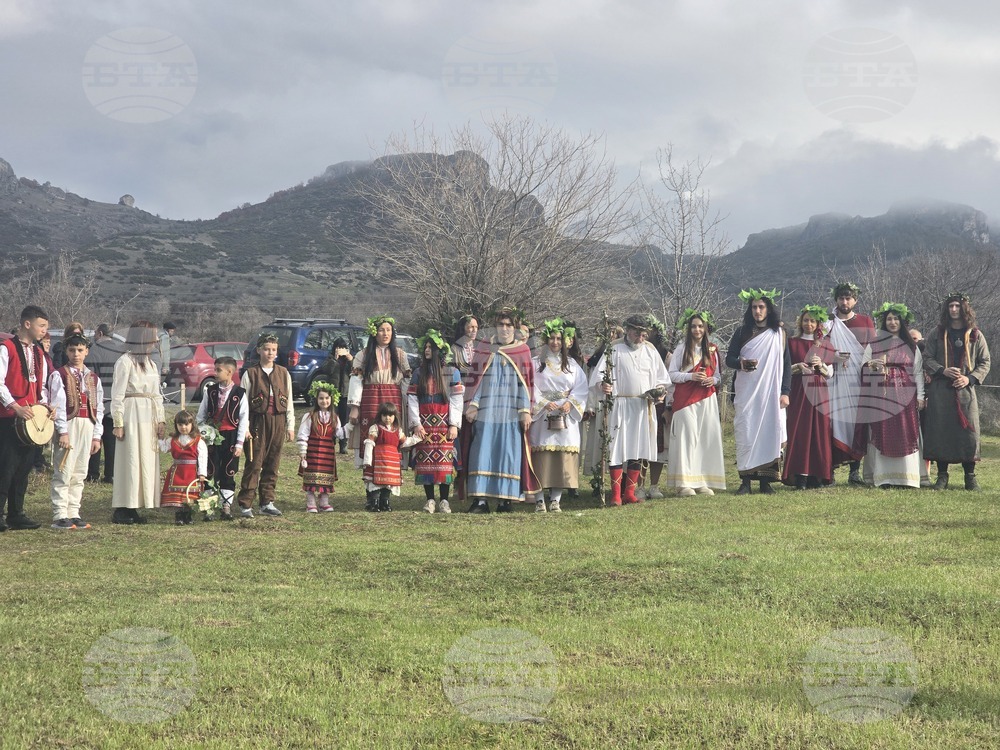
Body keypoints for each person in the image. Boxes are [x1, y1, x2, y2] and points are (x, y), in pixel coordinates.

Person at [589, 314, 670, 505]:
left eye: (643, 334)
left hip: (643, 406)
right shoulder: (614, 348)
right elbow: (599, 376)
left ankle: (629, 493)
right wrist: (604, 386)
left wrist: (659, 392)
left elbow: (662, 378)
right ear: (627, 330)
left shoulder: (650, 351)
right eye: (636, 334)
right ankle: (616, 494)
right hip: (620, 405)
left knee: (637, 447)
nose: (640, 338)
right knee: (616, 447)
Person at [464, 308, 538, 513]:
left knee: (508, 453)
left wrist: (525, 410)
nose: (504, 329)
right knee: (482, 451)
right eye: (501, 325)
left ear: (515, 328)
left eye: (509, 325)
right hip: (486, 411)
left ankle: (505, 499)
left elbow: (526, 384)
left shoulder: (523, 351)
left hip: (511, 412)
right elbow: (476, 381)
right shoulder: (484, 347)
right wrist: (472, 404)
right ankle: (480, 500)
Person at [922, 293, 991, 490]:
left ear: (964, 309)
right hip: (940, 390)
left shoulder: (975, 334)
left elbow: (985, 361)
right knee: (941, 430)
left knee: (968, 432)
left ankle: (970, 476)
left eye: (957, 306)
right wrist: (942, 370)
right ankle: (942, 476)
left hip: (965, 392)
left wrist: (968, 378)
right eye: (950, 306)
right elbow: (927, 357)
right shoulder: (938, 333)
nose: (954, 310)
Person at [725, 289, 791, 495]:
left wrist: (785, 391)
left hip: (771, 394)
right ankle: (745, 481)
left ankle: (766, 481)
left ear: (768, 309)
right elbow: (729, 359)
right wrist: (741, 363)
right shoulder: (741, 332)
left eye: (761, 307)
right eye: (754, 307)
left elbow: (787, 365)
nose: (757, 311)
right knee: (746, 433)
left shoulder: (779, 334)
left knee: (769, 434)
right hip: (747, 393)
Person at [859, 303, 925, 489]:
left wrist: (920, 396)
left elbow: (918, 372)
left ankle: (907, 477)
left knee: (905, 432)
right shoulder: (875, 344)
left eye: (896, 319)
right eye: (889, 319)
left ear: (902, 322)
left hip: (906, 396)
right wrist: (871, 366)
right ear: (884, 322)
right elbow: (863, 367)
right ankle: (883, 477)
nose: (893, 322)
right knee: (881, 432)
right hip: (881, 396)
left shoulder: (911, 346)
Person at [0, 305, 53, 531]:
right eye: (41, 326)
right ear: (27, 324)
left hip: (31, 419)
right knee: (6, 467)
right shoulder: (7, 348)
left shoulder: (39, 353)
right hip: (8, 417)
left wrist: (44, 405)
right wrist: (14, 406)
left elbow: (40, 386)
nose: (44, 331)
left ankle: (16, 513)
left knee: (24, 467)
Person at [528, 319, 589, 513]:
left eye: (559, 339)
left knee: (562, 456)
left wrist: (570, 403)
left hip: (565, 414)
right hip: (543, 413)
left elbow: (581, 388)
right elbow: (529, 386)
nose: (555, 342)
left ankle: (556, 499)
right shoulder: (536, 362)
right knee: (540, 457)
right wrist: (544, 403)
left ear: (564, 342)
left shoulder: (572, 365)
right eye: (552, 338)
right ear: (546, 340)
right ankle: (539, 500)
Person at [110, 321, 165, 525]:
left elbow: (156, 394)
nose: (156, 341)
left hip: (148, 415)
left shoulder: (150, 363)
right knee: (131, 459)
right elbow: (117, 395)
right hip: (131, 415)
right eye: (152, 336)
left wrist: (160, 420)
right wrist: (118, 422)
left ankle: (136, 504)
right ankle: (123, 507)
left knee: (146, 459)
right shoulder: (125, 362)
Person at [666, 309, 725, 496]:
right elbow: (671, 374)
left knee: (705, 438)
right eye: (693, 326)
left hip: (706, 398)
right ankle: (684, 483)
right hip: (685, 400)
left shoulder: (713, 350)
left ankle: (702, 480)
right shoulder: (681, 348)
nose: (697, 330)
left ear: (706, 328)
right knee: (687, 439)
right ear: (688, 328)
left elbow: (718, 376)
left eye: (700, 326)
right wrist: (691, 376)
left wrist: (712, 381)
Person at [822, 281, 876, 485]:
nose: (845, 302)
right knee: (833, 421)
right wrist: (833, 357)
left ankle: (855, 472)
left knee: (857, 424)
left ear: (856, 300)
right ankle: (831, 470)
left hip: (858, 379)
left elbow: (872, 349)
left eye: (848, 298)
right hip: (834, 378)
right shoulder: (828, 322)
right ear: (836, 299)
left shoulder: (865, 321)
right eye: (841, 298)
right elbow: (818, 348)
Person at [48, 333, 103, 529]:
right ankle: (60, 513)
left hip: (87, 424)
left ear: (86, 351)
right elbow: (58, 405)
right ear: (66, 351)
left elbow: (99, 407)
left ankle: (74, 511)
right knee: (64, 469)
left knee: (80, 470)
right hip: (69, 424)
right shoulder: (59, 374)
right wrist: (62, 431)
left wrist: (97, 435)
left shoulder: (93, 378)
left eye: (80, 350)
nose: (76, 354)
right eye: (72, 350)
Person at [238, 333, 294, 517]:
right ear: (259, 350)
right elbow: (243, 404)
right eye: (267, 349)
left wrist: (290, 426)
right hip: (257, 423)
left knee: (273, 462)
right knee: (254, 462)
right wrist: (244, 428)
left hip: (277, 422)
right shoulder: (250, 373)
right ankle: (246, 503)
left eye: (274, 350)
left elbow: (290, 401)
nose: (270, 353)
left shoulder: (283, 373)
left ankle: (267, 502)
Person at [408, 329, 463, 514]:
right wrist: (416, 423)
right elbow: (412, 399)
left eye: (431, 347)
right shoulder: (418, 373)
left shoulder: (452, 373)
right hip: (425, 425)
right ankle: (430, 499)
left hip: (444, 424)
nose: (427, 350)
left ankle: (445, 501)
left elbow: (456, 400)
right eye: (426, 347)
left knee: (445, 463)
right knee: (426, 463)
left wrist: (454, 424)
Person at [781, 306, 835, 489]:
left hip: (819, 392)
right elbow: (785, 368)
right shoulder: (792, 342)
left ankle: (817, 475)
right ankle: (800, 476)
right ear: (800, 322)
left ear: (818, 323)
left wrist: (821, 365)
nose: (809, 324)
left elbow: (831, 373)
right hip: (798, 391)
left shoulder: (825, 344)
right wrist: (798, 367)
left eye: (812, 321)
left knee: (819, 431)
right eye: (806, 320)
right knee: (800, 430)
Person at [347, 316, 411, 468]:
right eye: (382, 330)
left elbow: (406, 379)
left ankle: (391, 472)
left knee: (392, 432)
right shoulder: (363, 355)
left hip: (393, 400)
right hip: (371, 399)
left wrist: (407, 402)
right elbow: (356, 380)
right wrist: (355, 408)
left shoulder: (400, 355)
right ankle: (369, 474)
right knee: (371, 433)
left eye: (388, 330)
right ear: (374, 333)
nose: (385, 334)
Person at [197, 356, 249, 520]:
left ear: (230, 372)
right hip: (212, 438)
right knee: (209, 471)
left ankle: (225, 508)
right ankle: (208, 509)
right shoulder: (210, 391)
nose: (215, 373)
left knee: (228, 471)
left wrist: (240, 443)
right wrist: (205, 433)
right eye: (215, 369)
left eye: (218, 370)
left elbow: (243, 420)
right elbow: (201, 416)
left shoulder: (240, 394)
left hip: (231, 438)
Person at [297, 381, 348, 512]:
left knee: (325, 476)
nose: (324, 401)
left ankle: (324, 501)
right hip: (312, 451)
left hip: (327, 452)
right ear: (316, 399)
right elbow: (303, 434)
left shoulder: (335, 417)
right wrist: (303, 451)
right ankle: (311, 502)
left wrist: (351, 426)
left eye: (326, 398)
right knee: (311, 477)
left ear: (331, 399)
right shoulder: (309, 416)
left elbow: (339, 434)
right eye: (321, 398)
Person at [450, 314, 484, 504]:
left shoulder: (481, 349)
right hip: (460, 399)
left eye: (476, 327)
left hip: (477, 400)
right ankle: (458, 482)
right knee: (460, 442)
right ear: (463, 328)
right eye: (470, 327)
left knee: (474, 441)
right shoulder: (455, 349)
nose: (473, 330)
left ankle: (474, 480)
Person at [362, 401, 419, 512]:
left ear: (394, 416)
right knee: (376, 483)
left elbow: (405, 441)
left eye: (390, 415)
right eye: (384, 415)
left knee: (388, 483)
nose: (387, 418)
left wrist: (417, 438)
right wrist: (367, 460)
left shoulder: (397, 430)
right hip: (378, 460)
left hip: (391, 461)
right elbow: (369, 443)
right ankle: (374, 503)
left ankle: (385, 502)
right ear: (380, 416)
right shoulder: (375, 428)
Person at [85, 325, 122, 484]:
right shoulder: (120, 352)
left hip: (98, 401)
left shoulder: (94, 351)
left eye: (94, 333)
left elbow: (89, 378)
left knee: (95, 437)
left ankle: (92, 474)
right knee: (111, 440)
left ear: (99, 333)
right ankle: (110, 474)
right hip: (116, 401)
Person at [158, 410, 208, 524]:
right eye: (180, 424)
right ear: (176, 425)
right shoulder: (173, 439)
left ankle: (188, 516)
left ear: (192, 425)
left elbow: (203, 457)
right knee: (179, 496)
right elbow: (164, 448)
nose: (183, 427)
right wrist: (159, 439)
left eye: (186, 424)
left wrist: (202, 473)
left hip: (191, 473)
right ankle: (179, 516)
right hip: (177, 472)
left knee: (189, 495)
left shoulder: (198, 441)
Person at [315, 337, 353, 454]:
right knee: (332, 418)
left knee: (344, 419)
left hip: (345, 393)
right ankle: (331, 442)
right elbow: (327, 370)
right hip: (333, 393)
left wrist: (349, 358)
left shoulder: (349, 359)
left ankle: (343, 444)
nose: (340, 350)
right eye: (338, 347)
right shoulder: (330, 359)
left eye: (343, 347)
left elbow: (355, 371)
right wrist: (335, 359)